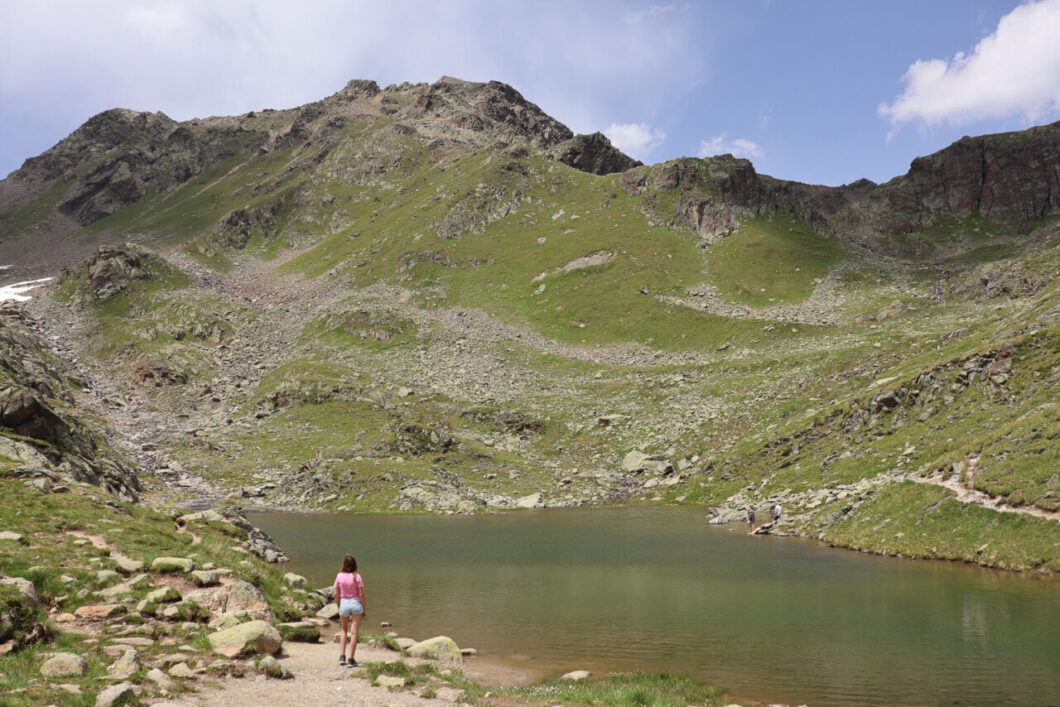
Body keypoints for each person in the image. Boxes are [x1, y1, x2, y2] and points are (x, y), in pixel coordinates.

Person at [334, 553, 366, 666]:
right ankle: (351, 659)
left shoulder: (339, 576)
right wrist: (364, 608)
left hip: (344, 603)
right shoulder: (357, 576)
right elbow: (361, 594)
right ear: (354, 565)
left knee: (343, 630)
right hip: (356, 603)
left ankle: (342, 657)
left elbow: (336, 593)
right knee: (354, 633)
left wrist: (338, 606)